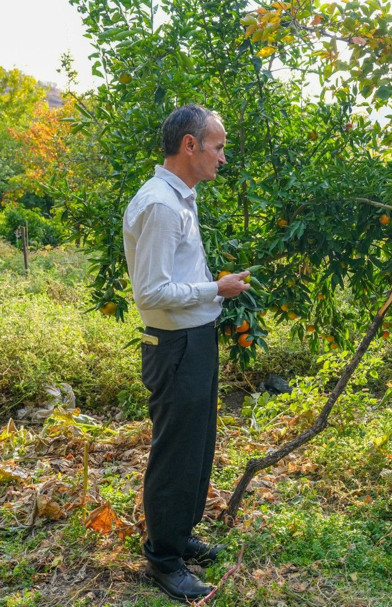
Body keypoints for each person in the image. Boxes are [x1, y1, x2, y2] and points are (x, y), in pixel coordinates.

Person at [123, 104, 250, 601]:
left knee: (197, 445)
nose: (223, 156)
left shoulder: (182, 197)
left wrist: (209, 291)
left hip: (195, 339)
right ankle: (162, 558)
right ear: (191, 146)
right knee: (175, 451)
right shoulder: (159, 204)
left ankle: (180, 534)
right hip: (173, 345)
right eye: (218, 146)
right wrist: (214, 289)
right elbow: (151, 293)